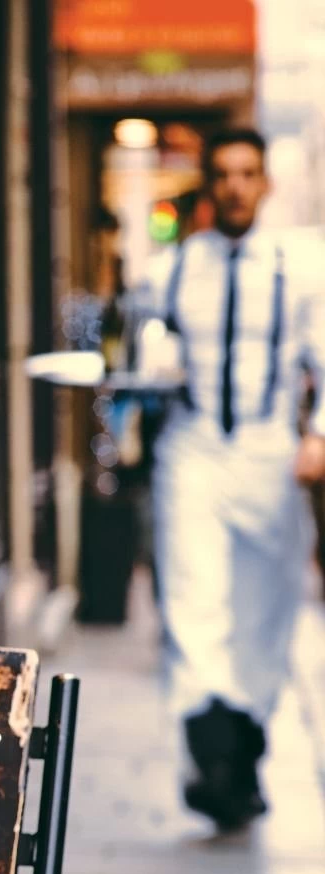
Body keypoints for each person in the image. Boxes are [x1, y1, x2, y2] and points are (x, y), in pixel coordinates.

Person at [133, 127, 325, 831]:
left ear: (265, 183)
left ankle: (242, 744)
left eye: (249, 173)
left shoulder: (302, 270)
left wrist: (319, 436)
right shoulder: (172, 269)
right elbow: (139, 355)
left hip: (269, 449)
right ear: (210, 186)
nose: (237, 185)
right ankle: (213, 755)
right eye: (225, 174)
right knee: (192, 598)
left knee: (266, 605)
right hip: (192, 449)